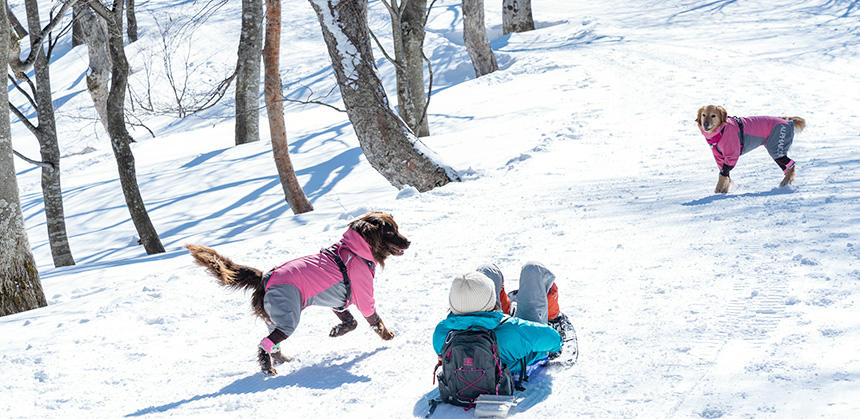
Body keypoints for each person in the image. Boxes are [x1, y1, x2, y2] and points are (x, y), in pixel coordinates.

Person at [432, 262, 567, 375]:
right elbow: (553, 339)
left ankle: (505, 306)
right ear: (492, 300)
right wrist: (557, 346)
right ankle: (553, 317)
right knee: (533, 270)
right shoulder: (516, 329)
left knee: (487, 270)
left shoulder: (442, 332)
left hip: (496, 346)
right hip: (514, 353)